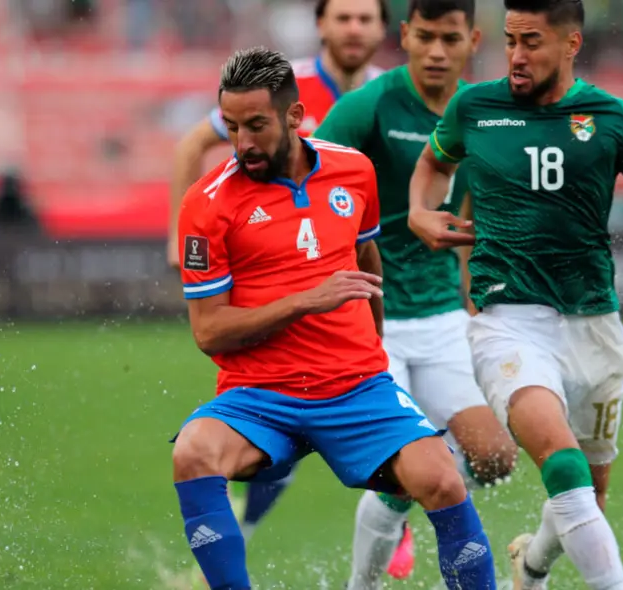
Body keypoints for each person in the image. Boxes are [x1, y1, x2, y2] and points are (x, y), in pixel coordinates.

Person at [407, 1, 623, 588]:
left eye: (531, 42)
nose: (516, 56)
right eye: (511, 41)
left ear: (570, 44)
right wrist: (419, 212)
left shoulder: (610, 117)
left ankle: (532, 564)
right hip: (507, 322)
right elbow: (432, 164)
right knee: (563, 468)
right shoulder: (475, 107)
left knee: (589, 494)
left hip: (593, 324)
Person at [172, 47, 498, 590]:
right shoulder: (206, 204)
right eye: (230, 127)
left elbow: (367, 263)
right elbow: (208, 331)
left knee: (442, 478)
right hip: (260, 394)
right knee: (193, 452)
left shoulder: (353, 171)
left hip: (355, 388)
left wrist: (372, 357)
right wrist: (304, 301)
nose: (243, 143)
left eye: (256, 125)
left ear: (294, 117)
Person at [312, 0, 517, 587]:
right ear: (403, 36)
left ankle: (402, 506)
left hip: (443, 319)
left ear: (472, 40)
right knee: (406, 472)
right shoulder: (368, 108)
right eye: (424, 36)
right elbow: (308, 185)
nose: (436, 50)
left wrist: (482, 304)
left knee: (495, 459)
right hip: (374, 326)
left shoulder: (485, 115)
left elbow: (473, 223)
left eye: (449, 38)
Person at [168, 0, 390, 266]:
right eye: (343, 19)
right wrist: (179, 241)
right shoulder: (282, 84)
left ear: (382, 28)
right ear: (321, 25)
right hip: (276, 256)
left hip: (366, 254)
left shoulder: (393, 96)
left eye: (365, 20)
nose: (354, 30)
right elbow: (191, 144)